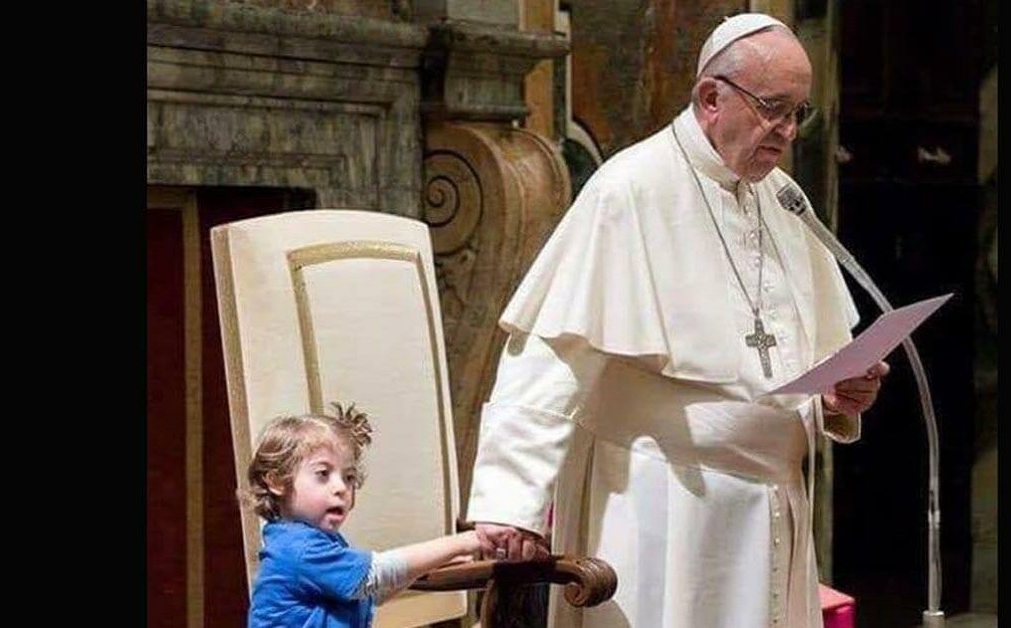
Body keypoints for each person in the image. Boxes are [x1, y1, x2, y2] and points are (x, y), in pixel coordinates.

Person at [464, 13, 890, 628]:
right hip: (662, 506)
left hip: (772, 506)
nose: (788, 131)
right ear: (711, 98)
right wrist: (510, 502)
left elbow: (793, 355)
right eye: (774, 108)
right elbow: (552, 356)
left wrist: (832, 395)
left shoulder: (782, 198)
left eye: (800, 113)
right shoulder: (630, 190)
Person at [240, 402, 482, 627]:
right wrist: (465, 542)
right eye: (323, 474)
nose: (341, 487)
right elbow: (374, 576)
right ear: (277, 481)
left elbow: (373, 592)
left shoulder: (317, 543)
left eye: (349, 477)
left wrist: (429, 564)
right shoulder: (298, 548)